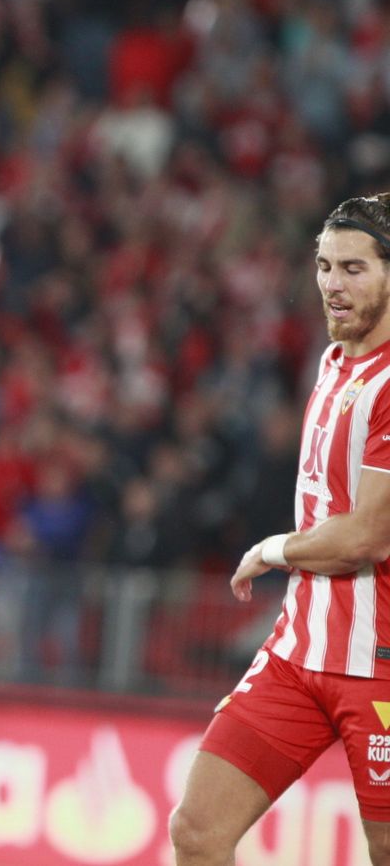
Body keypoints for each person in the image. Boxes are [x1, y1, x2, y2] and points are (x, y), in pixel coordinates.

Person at [171, 193, 390, 866]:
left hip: (379, 668)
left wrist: (270, 550)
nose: (332, 284)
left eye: (354, 268)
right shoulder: (331, 362)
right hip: (298, 654)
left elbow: (367, 537)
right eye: (324, 266)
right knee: (198, 831)